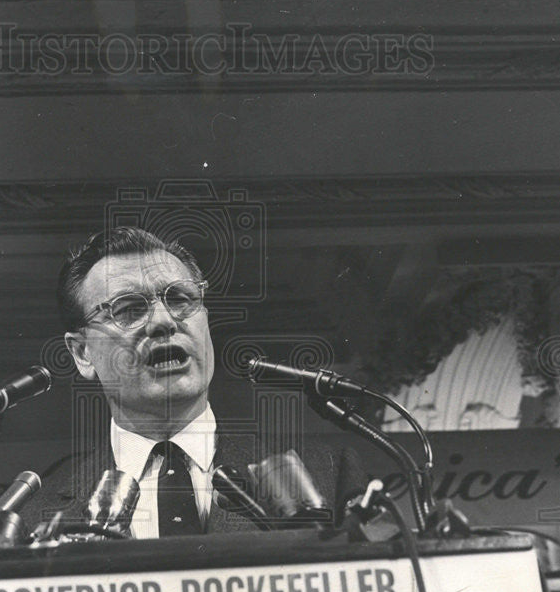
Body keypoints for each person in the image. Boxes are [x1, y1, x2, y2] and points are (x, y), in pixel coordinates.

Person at [20, 227, 363, 538]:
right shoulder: (32, 514)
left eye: (179, 299)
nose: (163, 321)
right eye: (127, 309)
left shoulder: (327, 477)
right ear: (83, 353)